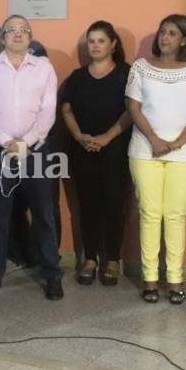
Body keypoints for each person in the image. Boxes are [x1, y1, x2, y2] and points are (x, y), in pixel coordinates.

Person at [0, 15, 63, 300]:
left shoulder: (44, 68)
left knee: (44, 214)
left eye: (24, 30)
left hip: (36, 149)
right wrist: (5, 141)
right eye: (12, 30)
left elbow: (48, 110)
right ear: (2, 37)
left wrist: (27, 141)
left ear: (30, 35)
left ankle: (52, 274)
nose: (18, 34)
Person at [126, 14, 186, 305]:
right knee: (150, 214)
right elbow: (134, 107)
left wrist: (175, 142)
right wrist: (154, 139)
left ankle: (175, 279)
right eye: (162, 32)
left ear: (184, 39)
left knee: (175, 216)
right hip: (144, 150)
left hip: (184, 154)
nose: (165, 38)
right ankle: (150, 278)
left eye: (172, 33)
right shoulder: (141, 67)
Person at [62, 21, 132, 286]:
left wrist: (107, 137)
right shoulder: (78, 77)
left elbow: (131, 111)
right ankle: (90, 258)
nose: (95, 46)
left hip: (115, 149)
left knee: (114, 204)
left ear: (113, 44)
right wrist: (79, 136)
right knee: (87, 205)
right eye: (91, 41)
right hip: (83, 149)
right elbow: (66, 109)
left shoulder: (126, 73)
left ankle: (112, 259)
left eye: (101, 41)